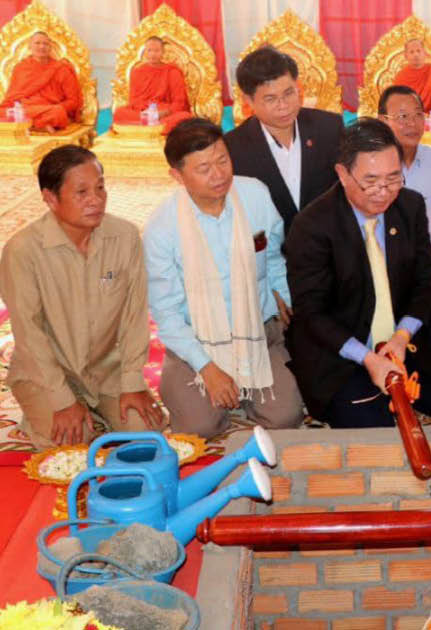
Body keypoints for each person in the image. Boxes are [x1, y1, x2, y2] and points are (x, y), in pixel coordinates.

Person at [286, 118, 431, 426]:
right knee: (379, 426)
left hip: (396, 341)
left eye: (393, 178)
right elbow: (311, 313)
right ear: (343, 174)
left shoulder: (410, 206)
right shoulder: (312, 225)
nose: (384, 192)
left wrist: (402, 335)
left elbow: (425, 278)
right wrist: (368, 358)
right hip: (341, 348)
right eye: (371, 181)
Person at [143, 119, 304, 438]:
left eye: (222, 161)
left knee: (286, 416)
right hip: (196, 340)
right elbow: (166, 313)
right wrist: (207, 367)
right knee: (199, 428)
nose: (218, 175)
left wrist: (284, 296)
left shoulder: (255, 195)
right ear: (178, 176)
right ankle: (202, 382)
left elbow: (274, 257)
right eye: (203, 168)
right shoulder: (161, 228)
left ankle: (247, 385)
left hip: (258, 332)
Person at [0, 146, 163, 450]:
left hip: (106, 370)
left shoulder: (124, 236)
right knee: (73, 445)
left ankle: (94, 411)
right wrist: (62, 400)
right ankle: (44, 412)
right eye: (82, 192)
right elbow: (29, 335)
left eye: (100, 188)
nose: (96, 200)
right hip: (45, 374)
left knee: (149, 434)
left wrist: (132, 382)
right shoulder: (22, 252)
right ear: (50, 198)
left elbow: (134, 314)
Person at [223, 46, 343, 233]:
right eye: (271, 99)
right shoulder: (233, 148)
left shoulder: (329, 128)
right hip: (271, 246)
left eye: (289, 93)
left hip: (329, 242)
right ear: (248, 100)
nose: (284, 106)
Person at [378, 85, 431, 357]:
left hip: (427, 275)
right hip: (380, 277)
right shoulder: (372, 168)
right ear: (382, 121)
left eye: (417, 115)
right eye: (402, 117)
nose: (412, 124)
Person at [0, 31, 82, 132]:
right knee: (4, 112)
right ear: (30, 46)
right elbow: (12, 97)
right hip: (27, 109)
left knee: (57, 112)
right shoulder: (21, 68)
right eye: (37, 43)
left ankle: (30, 125)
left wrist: (56, 108)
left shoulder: (61, 69)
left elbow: (73, 101)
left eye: (45, 44)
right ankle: (39, 126)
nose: (41, 47)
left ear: (50, 47)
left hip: (50, 109)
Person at [112, 36, 191, 134]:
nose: (153, 54)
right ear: (145, 52)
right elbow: (133, 100)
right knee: (119, 113)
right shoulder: (137, 72)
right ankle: (155, 126)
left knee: (184, 116)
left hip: (164, 113)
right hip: (143, 112)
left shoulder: (172, 72)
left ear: (163, 52)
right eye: (149, 50)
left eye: (157, 51)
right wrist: (146, 112)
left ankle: (144, 126)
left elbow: (179, 102)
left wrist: (163, 113)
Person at [391, 39, 431, 122]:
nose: (416, 55)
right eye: (411, 52)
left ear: (425, 53)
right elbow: (398, 103)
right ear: (406, 56)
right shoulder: (401, 76)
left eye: (419, 51)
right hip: (409, 118)